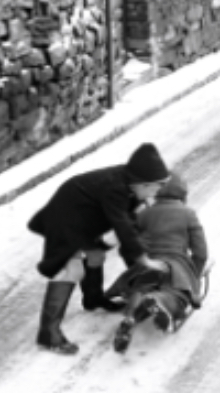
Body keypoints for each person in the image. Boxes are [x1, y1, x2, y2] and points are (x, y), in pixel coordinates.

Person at [27, 142, 171, 355]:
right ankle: (48, 334)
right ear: (142, 184)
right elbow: (123, 227)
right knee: (70, 270)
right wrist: (142, 260)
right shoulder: (116, 188)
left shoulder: (129, 184)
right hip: (66, 218)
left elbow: (128, 225)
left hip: (86, 217)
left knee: (95, 256)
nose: (157, 192)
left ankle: (93, 299)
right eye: (156, 187)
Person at [106, 172, 209, 354]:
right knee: (176, 292)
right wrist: (194, 276)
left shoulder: (145, 214)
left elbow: (131, 244)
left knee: (142, 286)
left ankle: (131, 317)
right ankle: (160, 301)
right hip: (175, 264)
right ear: (182, 192)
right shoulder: (187, 214)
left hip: (150, 263)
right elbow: (200, 252)